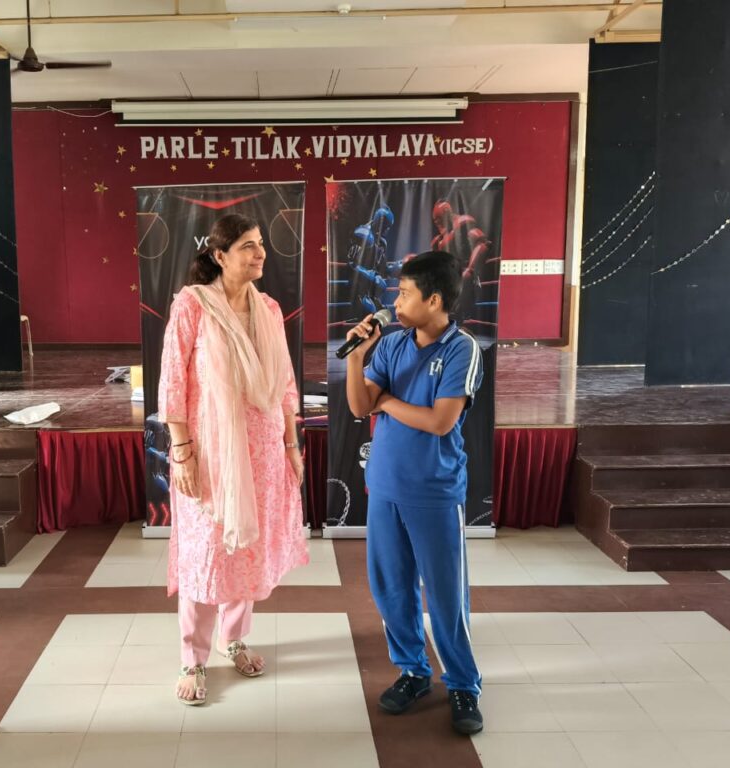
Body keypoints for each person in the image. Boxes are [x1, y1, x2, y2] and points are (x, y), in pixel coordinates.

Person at [158, 213, 309, 705]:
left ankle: (235, 638)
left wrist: (291, 446)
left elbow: (285, 384)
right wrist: (182, 451)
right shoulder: (193, 305)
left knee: (245, 550)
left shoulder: (269, 308)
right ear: (220, 255)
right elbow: (173, 382)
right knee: (205, 551)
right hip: (210, 454)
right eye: (247, 245)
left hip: (262, 452)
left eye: (260, 243)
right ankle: (192, 657)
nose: (259, 252)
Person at [344, 250, 485, 735]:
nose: (396, 302)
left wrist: (386, 401)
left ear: (435, 299)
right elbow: (360, 407)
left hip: (435, 492)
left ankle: (463, 684)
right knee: (391, 588)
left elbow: (440, 421)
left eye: (404, 294)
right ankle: (413, 672)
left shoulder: (461, 349)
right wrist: (357, 356)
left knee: (445, 595)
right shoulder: (390, 345)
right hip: (385, 486)